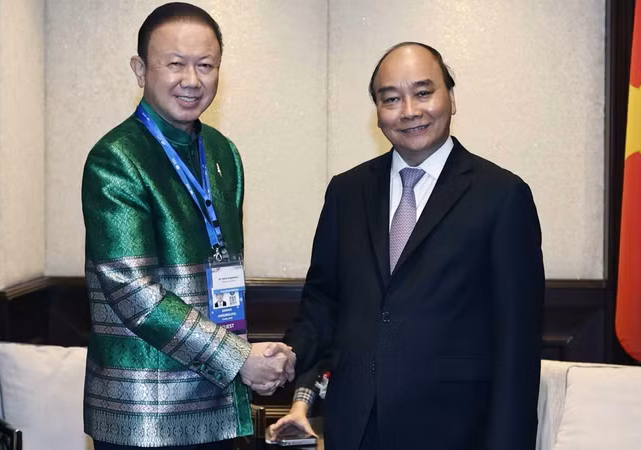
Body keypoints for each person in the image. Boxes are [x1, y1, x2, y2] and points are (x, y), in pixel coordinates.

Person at [283, 42, 545, 450]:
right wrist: (286, 357)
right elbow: (323, 302)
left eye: (424, 92)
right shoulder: (346, 192)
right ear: (377, 111)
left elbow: (517, 343)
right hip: (355, 429)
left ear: (451, 98)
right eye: (391, 98)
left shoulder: (502, 196)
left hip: (456, 430)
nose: (409, 110)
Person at [81, 3, 294, 449]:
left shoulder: (223, 152)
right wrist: (239, 359)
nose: (191, 80)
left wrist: (250, 358)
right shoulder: (116, 159)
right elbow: (133, 293)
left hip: (217, 397)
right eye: (175, 64)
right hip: (146, 414)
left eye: (206, 65)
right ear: (140, 69)